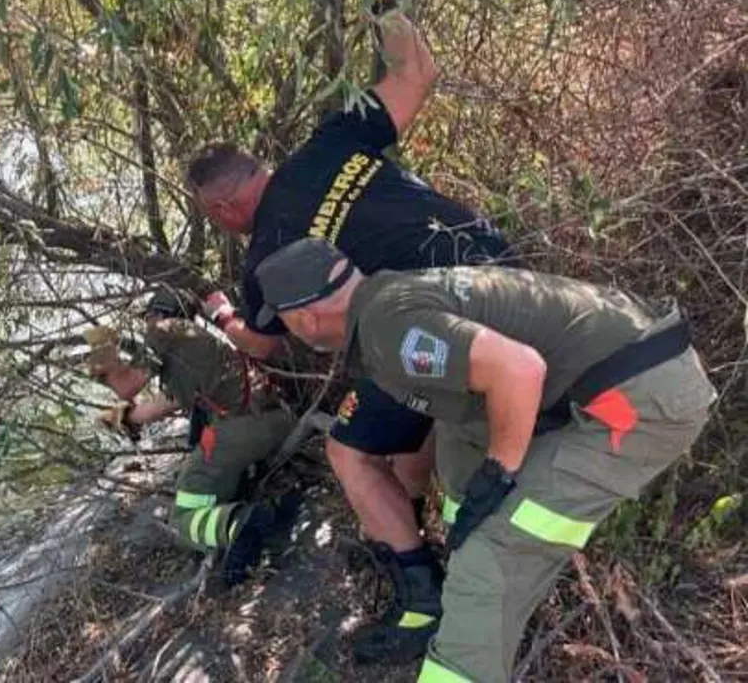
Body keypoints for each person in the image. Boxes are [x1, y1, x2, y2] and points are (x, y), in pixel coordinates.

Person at [186, 0, 517, 660]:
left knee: (347, 447)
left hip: (431, 323)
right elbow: (415, 71)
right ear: (261, 165)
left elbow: (266, 345)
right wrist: (385, 1)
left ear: (221, 212)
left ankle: (424, 604)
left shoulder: (265, 259)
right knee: (405, 427)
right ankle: (415, 529)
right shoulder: (328, 143)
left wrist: (221, 315)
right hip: (506, 273)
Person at [251, 237, 717, 682]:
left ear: (305, 319)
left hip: (637, 403)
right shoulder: (392, 295)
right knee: (461, 440)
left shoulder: (387, 328)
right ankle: (473, 611)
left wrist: (501, 470)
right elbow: (471, 398)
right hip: (633, 375)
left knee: (490, 560)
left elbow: (520, 368)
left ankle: (470, 631)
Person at [86, 291, 302, 585]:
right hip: (272, 420)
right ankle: (264, 506)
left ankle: (238, 525)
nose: (147, 325)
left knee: (183, 516)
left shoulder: (165, 330)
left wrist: (101, 351)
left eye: (148, 318)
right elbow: (164, 403)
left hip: (240, 429)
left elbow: (125, 386)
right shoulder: (192, 347)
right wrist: (125, 417)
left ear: (158, 313)